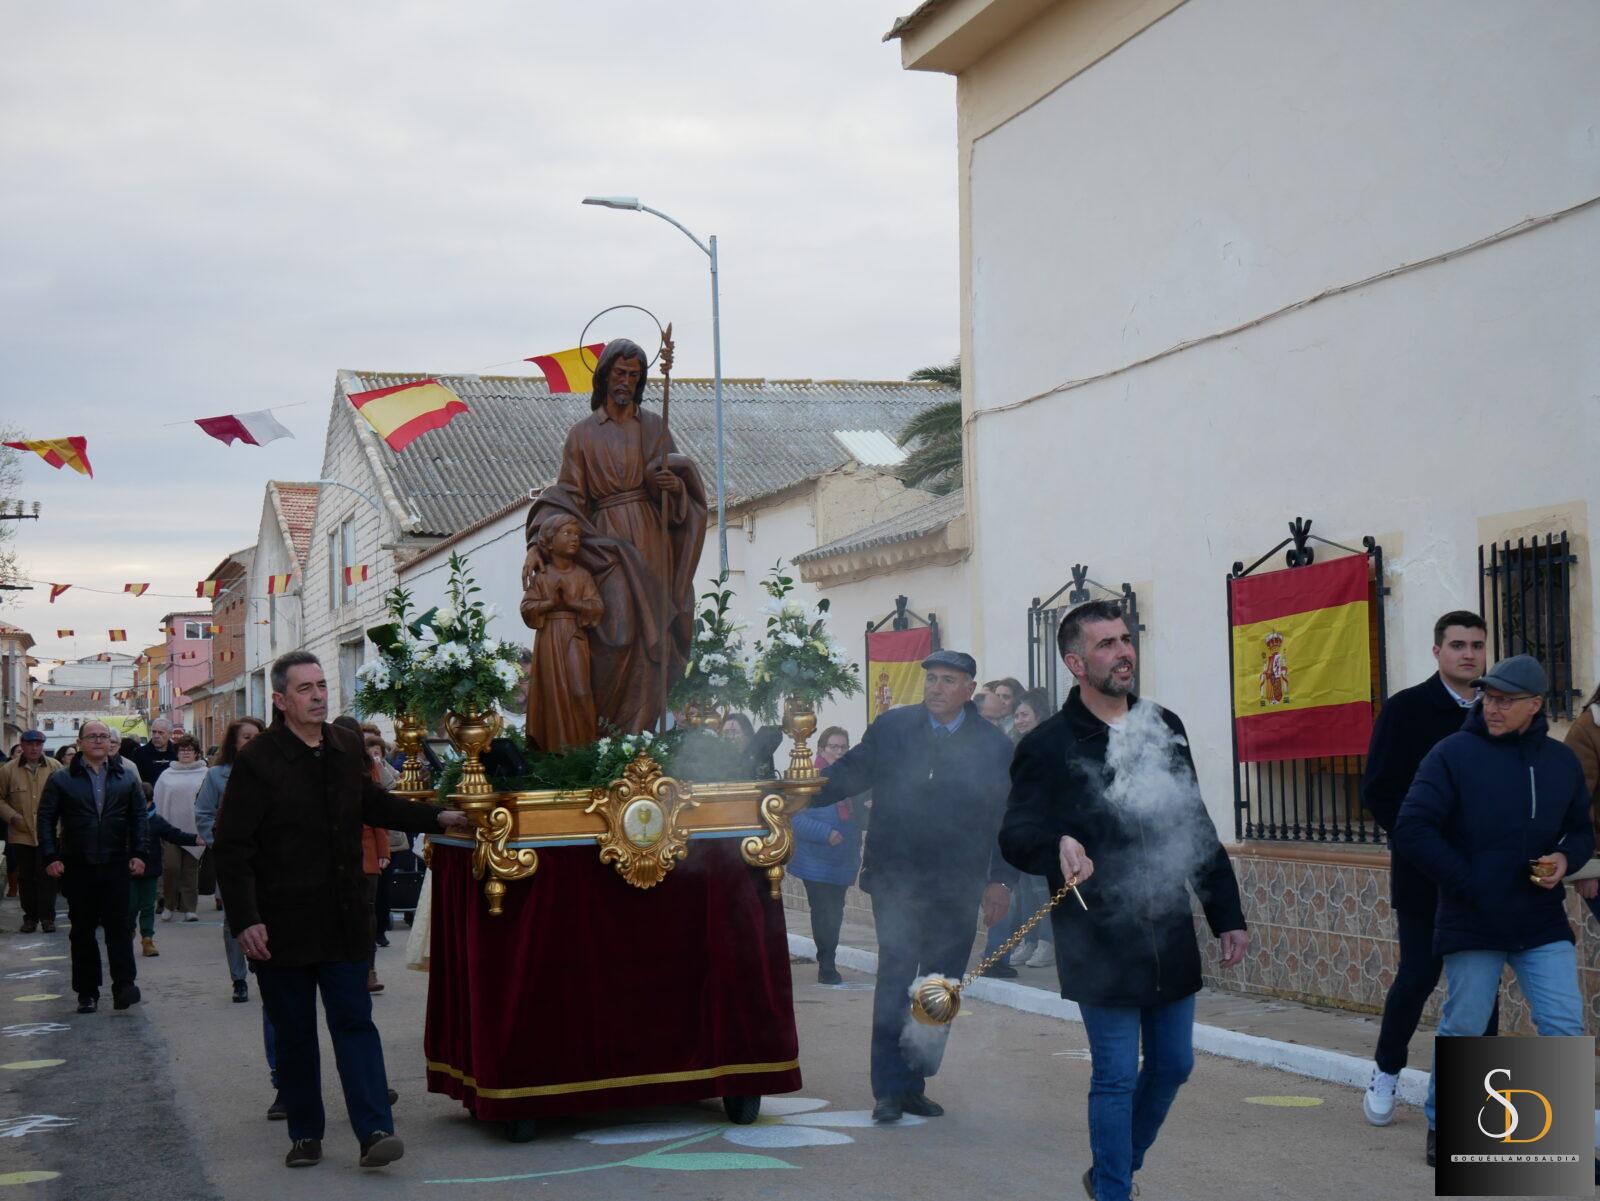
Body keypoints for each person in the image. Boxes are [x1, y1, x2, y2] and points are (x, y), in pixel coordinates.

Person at [999, 600, 1247, 1201]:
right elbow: (1015, 835)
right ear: (1075, 663)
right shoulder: (1048, 744)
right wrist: (1056, 844)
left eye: (1125, 638)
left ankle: (1117, 1165)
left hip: (1166, 924)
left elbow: (1194, 824)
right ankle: (1114, 1190)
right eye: (1106, 644)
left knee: (1174, 1065)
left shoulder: (1165, 725)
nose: (1123, 651)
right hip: (1097, 932)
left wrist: (1226, 915)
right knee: (1114, 1076)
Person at [213, 651, 473, 1170]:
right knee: (294, 1033)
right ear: (282, 700)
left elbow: (374, 803)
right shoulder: (259, 760)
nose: (318, 695)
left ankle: (375, 1129)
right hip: (281, 922)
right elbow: (232, 846)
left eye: (322, 685)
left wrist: (438, 818)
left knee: (355, 1022)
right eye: (305, 688)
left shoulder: (344, 743)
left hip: (343, 915)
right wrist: (245, 919)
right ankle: (305, 1133)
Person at [1393, 654, 1593, 1168]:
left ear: (1535, 706)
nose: (1492, 707)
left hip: (1540, 919)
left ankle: (1561, 1141)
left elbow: (1581, 829)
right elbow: (1413, 827)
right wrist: (1469, 882)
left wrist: (1565, 857)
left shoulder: (1560, 761)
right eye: (1488, 697)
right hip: (1473, 918)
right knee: (1465, 1026)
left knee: (1563, 1023)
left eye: (1505, 700)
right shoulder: (1451, 754)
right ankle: (1444, 1124)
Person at [812, 649, 1016, 1123]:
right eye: (932, 680)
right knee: (896, 978)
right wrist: (796, 794)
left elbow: (1007, 817)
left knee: (940, 985)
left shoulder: (993, 746)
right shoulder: (893, 728)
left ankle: (915, 1079)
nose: (936, 689)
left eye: (948, 681)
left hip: (958, 884)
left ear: (970, 689)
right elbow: (849, 774)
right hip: (897, 880)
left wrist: (1000, 880)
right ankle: (887, 1090)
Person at [521, 337, 709, 734]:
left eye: (634, 375)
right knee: (615, 635)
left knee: (649, 641)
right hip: (607, 545)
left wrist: (670, 487)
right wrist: (538, 543)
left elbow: (680, 492)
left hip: (652, 539)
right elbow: (569, 495)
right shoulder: (583, 434)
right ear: (605, 375)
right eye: (620, 373)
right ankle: (605, 732)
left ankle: (637, 738)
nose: (626, 381)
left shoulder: (655, 426)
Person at [1358, 610, 1492, 1127]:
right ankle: (1386, 1070)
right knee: (1417, 977)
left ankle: (1482, 1105)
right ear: (1437, 651)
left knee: (1480, 988)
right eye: (1458, 644)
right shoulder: (1407, 709)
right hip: (1422, 874)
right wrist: (1423, 846)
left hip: (1483, 879)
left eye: (1477, 645)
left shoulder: (1496, 712)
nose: (1469, 654)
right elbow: (1379, 791)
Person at [37, 721, 150, 1013]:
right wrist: (51, 857)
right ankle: (87, 992)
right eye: (93, 737)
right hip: (78, 864)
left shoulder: (125, 778)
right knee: (83, 930)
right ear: (80, 742)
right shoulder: (62, 779)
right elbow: (46, 819)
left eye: (104, 736)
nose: (99, 741)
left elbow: (139, 818)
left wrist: (139, 853)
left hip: (116, 863)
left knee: (120, 927)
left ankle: (124, 985)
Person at [195, 717, 266, 996]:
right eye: (246, 737)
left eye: (257, 736)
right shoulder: (217, 775)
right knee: (235, 918)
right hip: (233, 861)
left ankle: (262, 963)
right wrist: (221, 847)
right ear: (234, 743)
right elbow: (203, 814)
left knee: (266, 912)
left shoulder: (273, 770)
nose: (252, 741)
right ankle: (238, 979)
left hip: (267, 858)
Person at [522, 512, 604, 751]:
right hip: (548, 636)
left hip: (574, 636)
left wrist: (573, 603)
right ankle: (555, 751)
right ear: (549, 540)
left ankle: (582, 749)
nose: (574, 539)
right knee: (551, 692)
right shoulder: (542, 576)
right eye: (567, 533)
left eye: (577, 535)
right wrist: (549, 604)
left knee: (580, 690)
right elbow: (527, 608)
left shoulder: (582, 575)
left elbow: (597, 606)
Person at [791, 726, 860, 985]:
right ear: (822, 749)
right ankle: (827, 964)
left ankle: (828, 956)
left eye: (844, 747)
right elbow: (794, 817)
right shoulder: (810, 777)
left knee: (836, 911)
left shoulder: (852, 780)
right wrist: (824, 832)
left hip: (842, 859)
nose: (839, 752)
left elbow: (857, 817)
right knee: (824, 911)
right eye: (834, 746)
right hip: (815, 860)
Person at [0, 730, 63, 933]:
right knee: (26, 877)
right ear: (22, 745)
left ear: (43, 745)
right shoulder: (8, 770)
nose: (34, 748)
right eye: (30, 744)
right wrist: (12, 816)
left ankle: (47, 918)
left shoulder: (56, 767)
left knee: (48, 876)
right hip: (21, 833)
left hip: (50, 833)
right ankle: (30, 918)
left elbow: (66, 795)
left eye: (38, 744)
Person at [134, 779, 203, 957]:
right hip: (128, 871)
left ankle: (147, 939)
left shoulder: (156, 821)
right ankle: (126, 935)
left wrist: (195, 839)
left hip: (150, 870)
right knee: (129, 907)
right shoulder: (124, 820)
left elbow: (174, 834)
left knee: (148, 906)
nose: (144, 807)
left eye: (147, 803)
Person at [152, 735, 208, 922]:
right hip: (171, 831)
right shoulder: (167, 775)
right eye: (182, 750)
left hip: (195, 831)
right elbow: (159, 801)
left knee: (190, 872)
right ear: (176, 753)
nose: (185, 753)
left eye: (189, 750)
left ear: (197, 753)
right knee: (171, 868)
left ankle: (189, 908)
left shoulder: (205, 773)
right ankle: (168, 904)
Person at [134, 717, 179, 786]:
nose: (156, 736)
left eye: (161, 733)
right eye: (154, 732)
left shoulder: (177, 753)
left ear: (170, 734)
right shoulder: (139, 753)